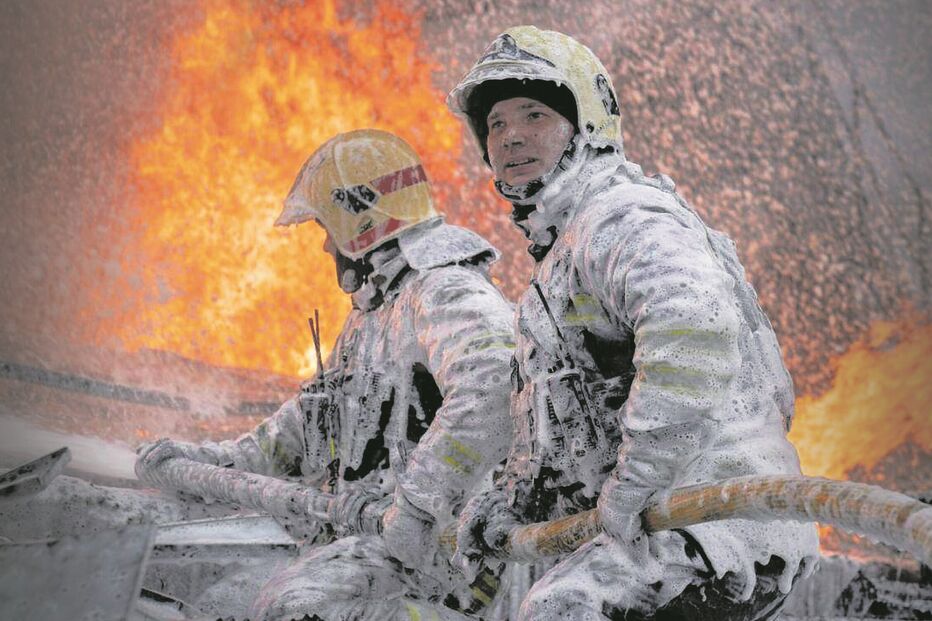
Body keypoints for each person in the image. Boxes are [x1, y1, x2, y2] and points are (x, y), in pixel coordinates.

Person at [447, 27, 820, 620]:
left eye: (534, 114)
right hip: (676, 526)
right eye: (495, 124)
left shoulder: (620, 217)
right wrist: (513, 502)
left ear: (585, 124)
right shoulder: (564, 251)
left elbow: (693, 329)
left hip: (712, 524)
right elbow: (563, 410)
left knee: (563, 611)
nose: (511, 135)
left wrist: (637, 482)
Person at [136, 129, 515, 621]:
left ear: (356, 219)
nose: (323, 247)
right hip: (372, 534)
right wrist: (217, 465)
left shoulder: (445, 291)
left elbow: (494, 384)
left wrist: (418, 505)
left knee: (296, 609)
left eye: (325, 227)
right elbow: (313, 421)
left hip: (444, 556)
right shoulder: (376, 310)